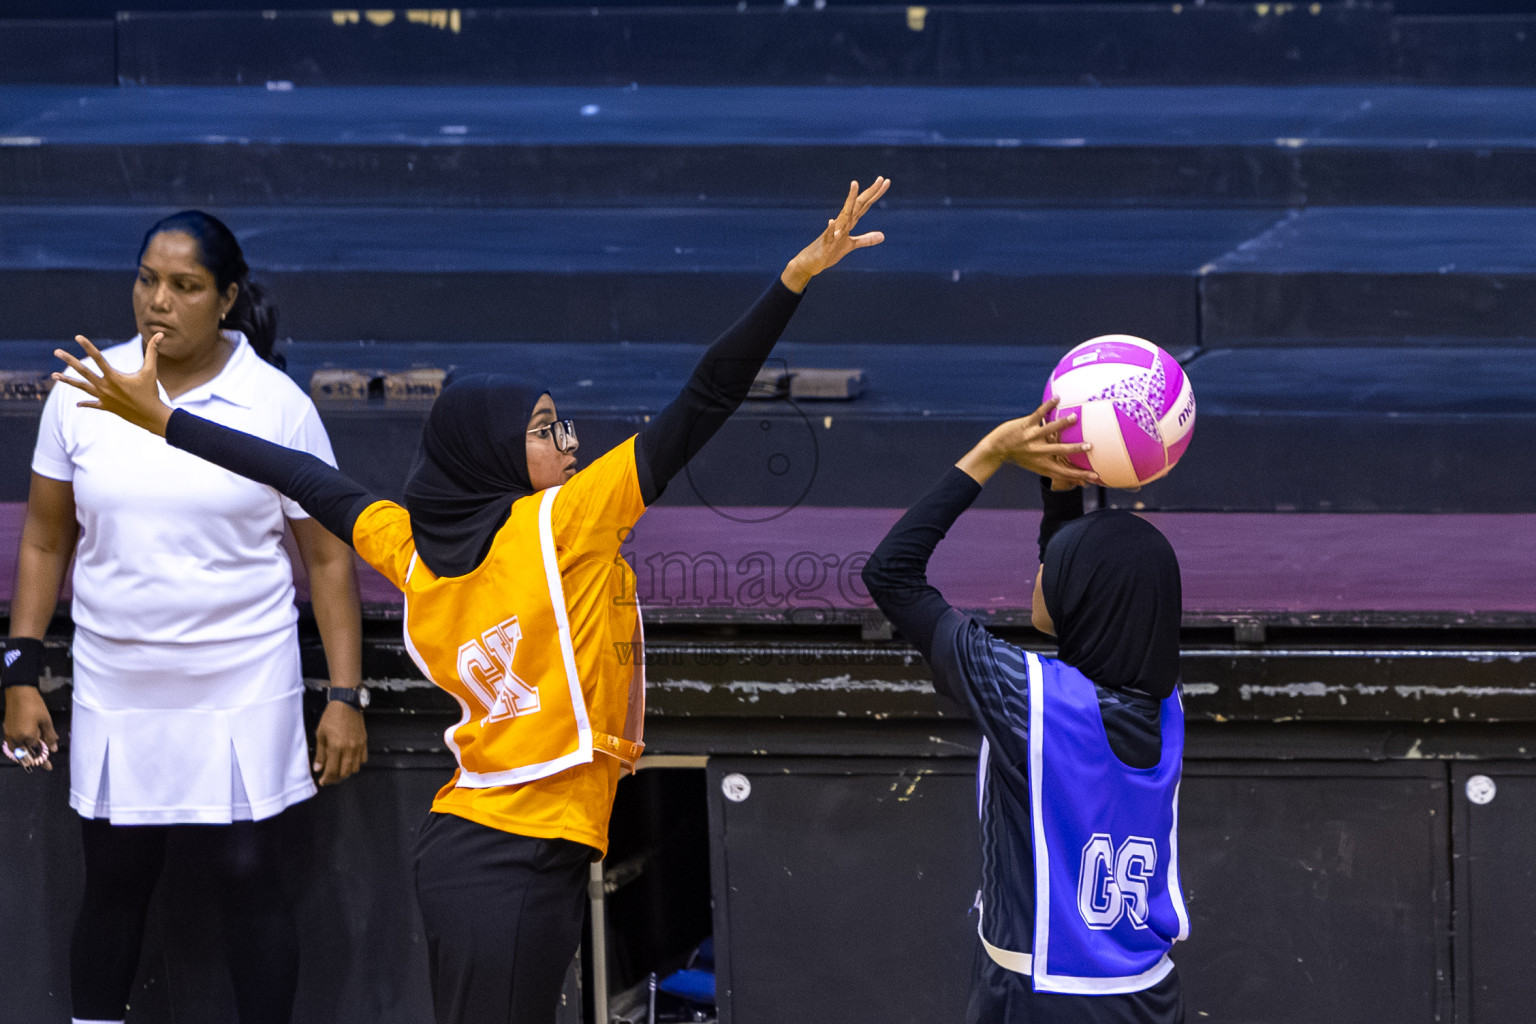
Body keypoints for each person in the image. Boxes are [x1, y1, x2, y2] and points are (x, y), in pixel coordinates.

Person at [51, 179, 891, 1024]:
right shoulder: (571, 520)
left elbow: (297, 473)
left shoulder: (405, 541)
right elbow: (704, 400)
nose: (567, 442)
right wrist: (792, 282)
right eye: (543, 428)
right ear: (489, 451)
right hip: (509, 860)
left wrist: (167, 423)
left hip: (482, 843)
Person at [2, 211, 367, 1024]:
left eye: (185, 286)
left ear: (228, 298)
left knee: (247, 874)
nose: (157, 302)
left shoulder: (277, 404)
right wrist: (20, 668)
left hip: (244, 678)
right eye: (146, 280)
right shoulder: (81, 389)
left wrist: (346, 696)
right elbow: (44, 541)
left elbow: (329, 558)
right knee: (116, 876)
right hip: (118, 678)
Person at [862, 401, 1188, 1024]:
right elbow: (1084, 637)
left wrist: (991, 454)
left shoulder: (1028, 699)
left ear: (1080, 598)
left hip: (1043, 1001)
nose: (1038, 578)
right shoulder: (1165, 701)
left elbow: (891, 575)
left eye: (1054, 572)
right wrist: (1060, 492)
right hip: (1151, 994)